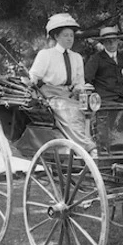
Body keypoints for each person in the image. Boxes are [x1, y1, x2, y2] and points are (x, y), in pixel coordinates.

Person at [28, 13, 97, 158]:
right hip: (51, 95)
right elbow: (34, 76)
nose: (69, 39)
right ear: (56, 37)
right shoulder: (46, 55)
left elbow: (79, 82)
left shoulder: (76, 57)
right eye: (65, 35)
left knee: (92, 110)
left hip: (70, 94)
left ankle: (96, 144)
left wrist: (80, 89)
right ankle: (87, 148)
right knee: (69, 110)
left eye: (71, 35)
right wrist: (34, 82)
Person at [84, 25, 123, 101]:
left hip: (122, 98)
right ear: (103, 42)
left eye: (114, 40)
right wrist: (93, 98)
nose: (111, 43)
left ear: (118, 41)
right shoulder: (95, 58)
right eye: (107, 41)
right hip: (104, 99)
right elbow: (87, 80)